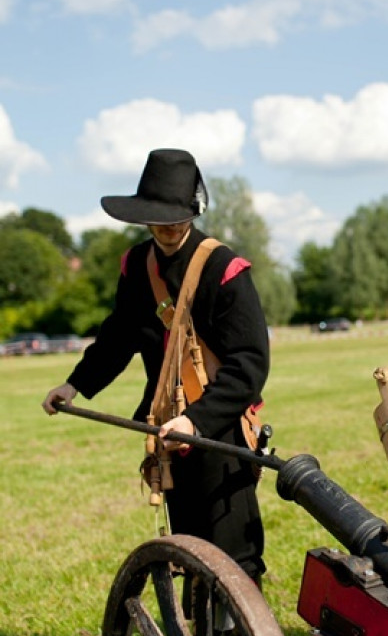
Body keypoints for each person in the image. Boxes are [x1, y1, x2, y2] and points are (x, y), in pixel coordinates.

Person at [42, 148, 270, 586]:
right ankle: (198, 633)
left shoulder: (224, 268)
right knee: (190, 551)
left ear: (192, 212)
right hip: (167, 425)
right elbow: (119, 336)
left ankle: (238, 635)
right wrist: (74, 385)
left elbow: (249, 363)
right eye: (157, 218)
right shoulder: (137, 265)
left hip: (219, 428)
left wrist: (197, 420)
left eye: (175, 218)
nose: (166, 228)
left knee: (234, 557)